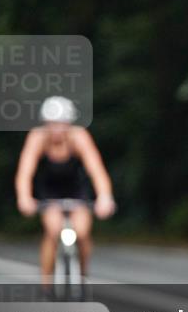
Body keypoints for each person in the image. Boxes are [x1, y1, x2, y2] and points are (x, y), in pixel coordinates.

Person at [15, 95, 116, 278]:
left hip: (77, 191)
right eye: (52, 124)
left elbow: (97, 171)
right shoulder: (37, 138)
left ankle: (82, 275)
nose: (56, 129)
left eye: (61, 124)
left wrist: (104, 197)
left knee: (83, 232)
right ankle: (46, 284)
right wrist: (24, 197)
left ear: (69, 123)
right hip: (49, 192)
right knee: (53, 231)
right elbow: (25, 172)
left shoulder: (79, 137)